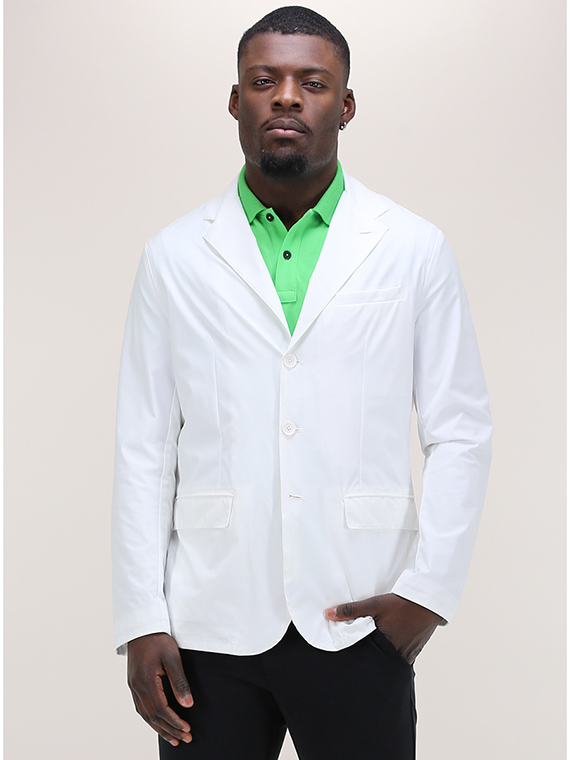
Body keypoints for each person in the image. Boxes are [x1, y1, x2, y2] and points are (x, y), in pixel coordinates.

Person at [112, 6, 492, 759]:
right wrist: (140, 618)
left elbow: (461, 432)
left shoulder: (413, 249)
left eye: (312, 83)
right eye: (264, 81)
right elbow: (143, 446)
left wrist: (426, 595)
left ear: (345, 106)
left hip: (358, 616)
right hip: (207, 623)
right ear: (235, 101)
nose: (286, 97)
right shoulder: (174, 256)